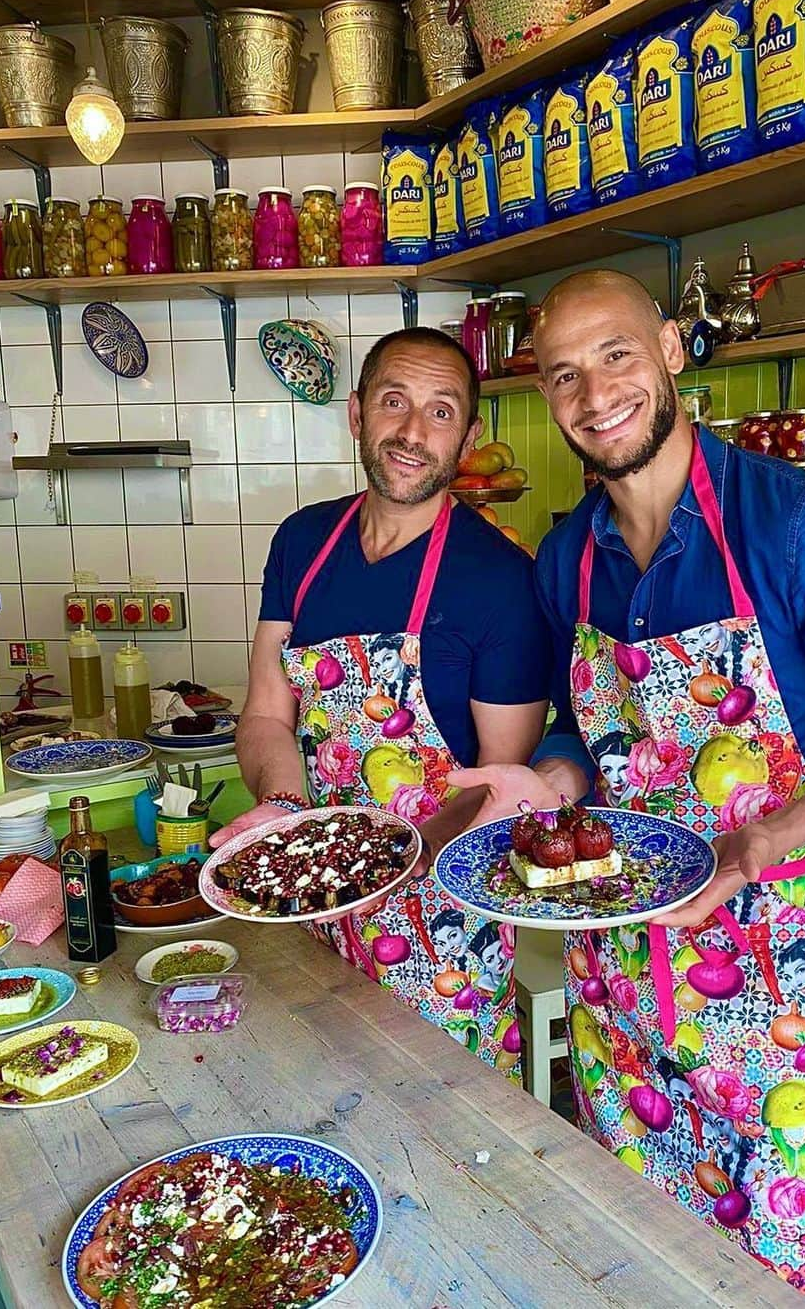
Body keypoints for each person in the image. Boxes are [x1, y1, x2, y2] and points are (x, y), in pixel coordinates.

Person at [450, 270, 805, 1306]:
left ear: (674, 353)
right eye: (563, 375)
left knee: (773, 1259)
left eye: (617, 355)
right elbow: (584, 735)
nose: (594, 395)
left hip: (768, 973)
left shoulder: (803, 528)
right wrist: (542, 780)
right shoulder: (566, 559)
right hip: (616, 978)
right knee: (632, 1249)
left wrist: (764, 842)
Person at [212, 326, 551, 1079]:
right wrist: (281, 810)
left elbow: (503, 779)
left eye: (440, 411)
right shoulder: (303, 542)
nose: (412, 432)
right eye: (395, 402)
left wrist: (391, 867)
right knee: (305, 1106)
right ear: (359, 413)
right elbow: (268, 711)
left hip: (438, 923)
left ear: (468, 436)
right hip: (305, 896)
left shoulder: (500, 579)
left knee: (441, 1137)